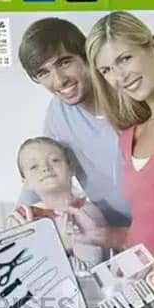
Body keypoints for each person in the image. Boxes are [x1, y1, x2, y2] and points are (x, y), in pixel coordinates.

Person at [74, 11, 154, 296]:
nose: (120, 77)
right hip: (149, 297)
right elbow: (147, 226)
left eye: (125, 58)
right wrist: (100, 235)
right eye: (106, 70)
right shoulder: (128, 138)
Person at [15, 18, 131, 228]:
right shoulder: (57, 115)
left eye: (64, 62)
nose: (59, 80)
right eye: (43, 73)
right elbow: (39, 169)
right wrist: (18, 219)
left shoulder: (128, 93)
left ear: (85, 56)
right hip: (112, 228)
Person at [13, 137, 106, 274]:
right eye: (34, 166)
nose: (45, 168)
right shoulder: (25, 219)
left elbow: (86, 273)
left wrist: (42, 249)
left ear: (71, 169)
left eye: (55, 160)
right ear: (25, 182)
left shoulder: (86, 215)